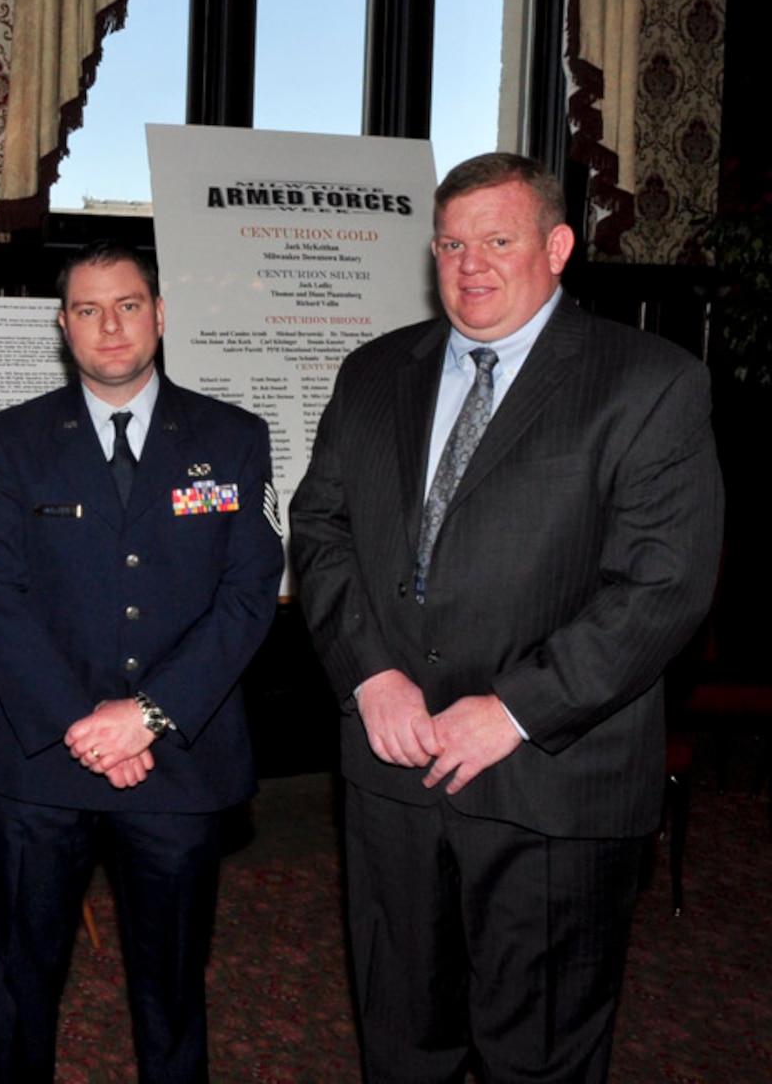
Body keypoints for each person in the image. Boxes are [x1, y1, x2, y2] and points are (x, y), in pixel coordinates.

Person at [289, 152, 724, 1083]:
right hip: (393, 776)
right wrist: (369, 673)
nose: (470, 264)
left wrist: (515, 709)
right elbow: (319, 528)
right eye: (451, 242)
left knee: (538, 1057)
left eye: (497, 239)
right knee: (403, 1044)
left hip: (551, 785)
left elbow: (664, 587)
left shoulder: (649, 383)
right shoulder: (373, 372)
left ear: (558, 247)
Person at [0, 241, 284, 1083]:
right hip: (42, 760)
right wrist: (82, 723)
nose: (112, 326)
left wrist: (147, 714)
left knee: (172, 983)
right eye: (89, 309)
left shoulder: (235, 438)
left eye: (129, 305)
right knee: (20, 979)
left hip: (180, 759)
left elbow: (250, 596)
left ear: (161, 315)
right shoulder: (13, 439)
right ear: (63, 327)